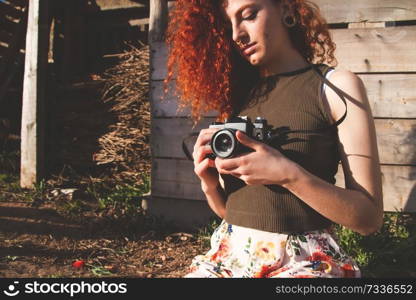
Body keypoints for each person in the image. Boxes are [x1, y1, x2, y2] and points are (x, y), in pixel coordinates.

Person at [164, 0, 383, 278]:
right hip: (229, 257)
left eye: (249, 15)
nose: (236, 34)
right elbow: (235, 214)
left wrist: (288, 175)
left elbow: (369, 219)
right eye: (227, 24)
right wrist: (209, 185)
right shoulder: (238, 97)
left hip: (304, 262)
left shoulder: (335, 86)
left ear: (287, 10)